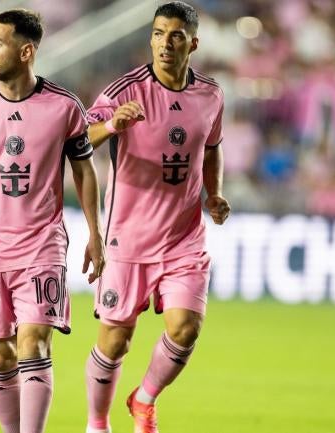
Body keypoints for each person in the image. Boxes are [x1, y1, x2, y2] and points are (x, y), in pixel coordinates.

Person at [0, 9, 105, 433]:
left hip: (41, 245)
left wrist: (95, 232)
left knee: (33, 341)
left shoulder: (64, 107)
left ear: (26, 50)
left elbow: (84, 170)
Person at [83, 2, 230, 432]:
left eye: (176, 35)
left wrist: (215, 193)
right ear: (150, 38)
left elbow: (213, 145)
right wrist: (112, 126)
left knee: (185, 328)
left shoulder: (211, 95)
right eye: (159, 33)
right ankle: (97, 423)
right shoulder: (123, 91)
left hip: (184, 236)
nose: (166, 43)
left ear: (193, 43)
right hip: (127, 238)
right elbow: (79, 138)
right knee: (115, 342)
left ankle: (144, 399)